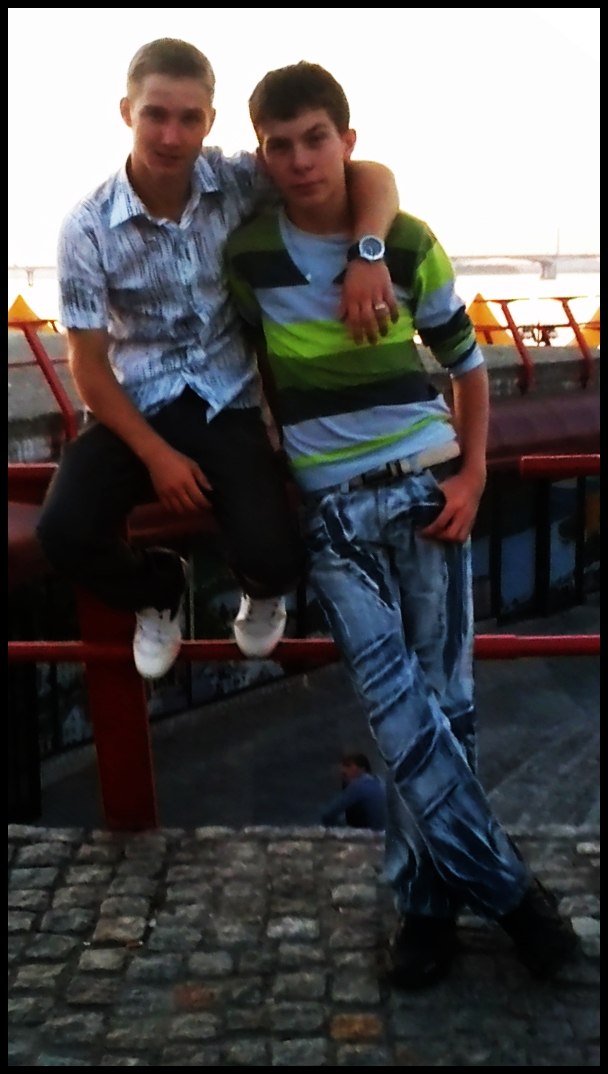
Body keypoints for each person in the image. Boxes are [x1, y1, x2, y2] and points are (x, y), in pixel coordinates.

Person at [225, 60, 580, 989]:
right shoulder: (249, 257)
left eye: (316, 138)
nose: (301, 160)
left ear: (347, 139)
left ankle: (424, 912)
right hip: (334, 511)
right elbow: (250, 366)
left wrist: (473, 475)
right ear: (263, 155)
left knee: (445, 708)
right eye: (280, 145)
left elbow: (467, 368)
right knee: (396, 710)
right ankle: (515, 899)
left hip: (426, 490)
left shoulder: (406, 241)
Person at [35, 38, 402, 681]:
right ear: (127, 111)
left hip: (225, 401)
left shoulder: (235, 182)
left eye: (189, 118)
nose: (171, 135)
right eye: (156, 114)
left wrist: (367, 252)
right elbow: (87, 364)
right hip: (136, 407)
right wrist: (157, 456)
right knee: (63, 532)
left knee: (279, 558)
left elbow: (367, 173)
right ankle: (158, 587)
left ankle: (257, 590)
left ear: (210, 120)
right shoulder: (87, 226)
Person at [321, 752, 387, 831]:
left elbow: (327, 815)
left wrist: (343, 828)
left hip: (368, 835)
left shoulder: (359, 785)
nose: (343, 770)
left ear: (362, 769)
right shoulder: (379, 782)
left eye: (348, 765)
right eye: (343, 766)